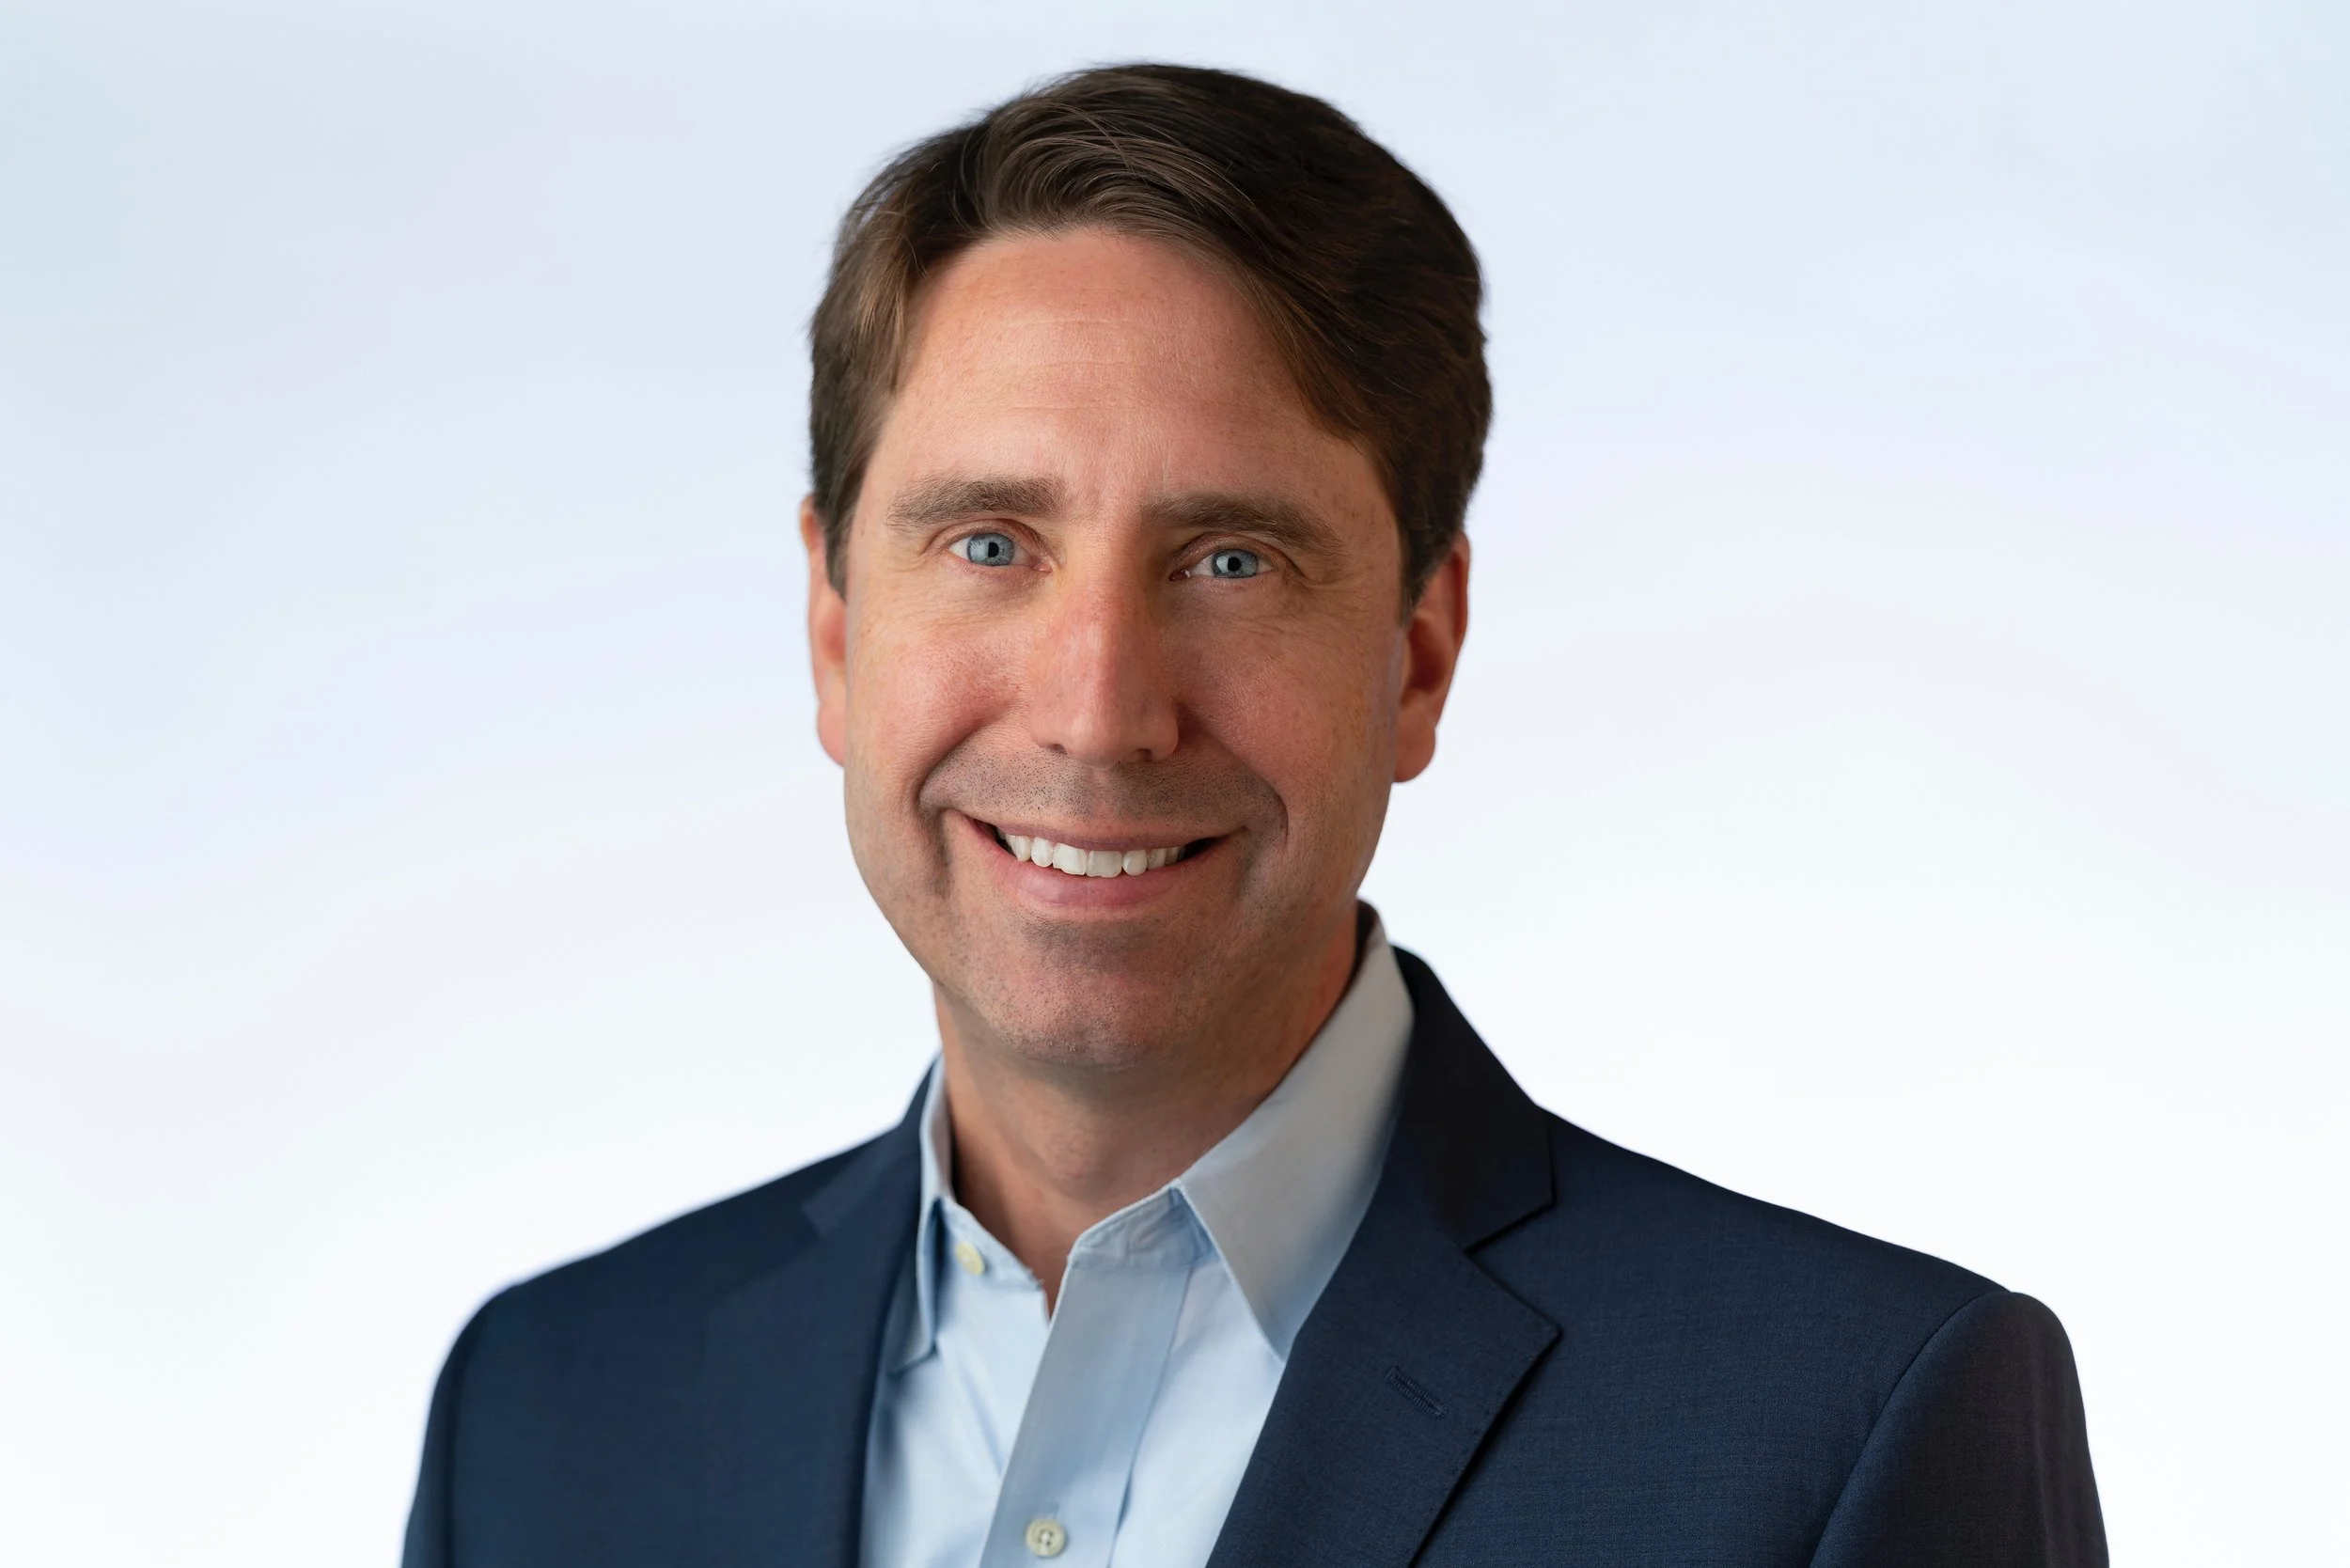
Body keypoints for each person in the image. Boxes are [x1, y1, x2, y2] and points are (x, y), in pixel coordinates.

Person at [400, 64, 2106, 1568]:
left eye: (1232, 561)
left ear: (1418, 657)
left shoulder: (1843, 1428)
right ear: (838, 635)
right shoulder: (546, 1414)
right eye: (990, 543)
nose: (1097, 711)